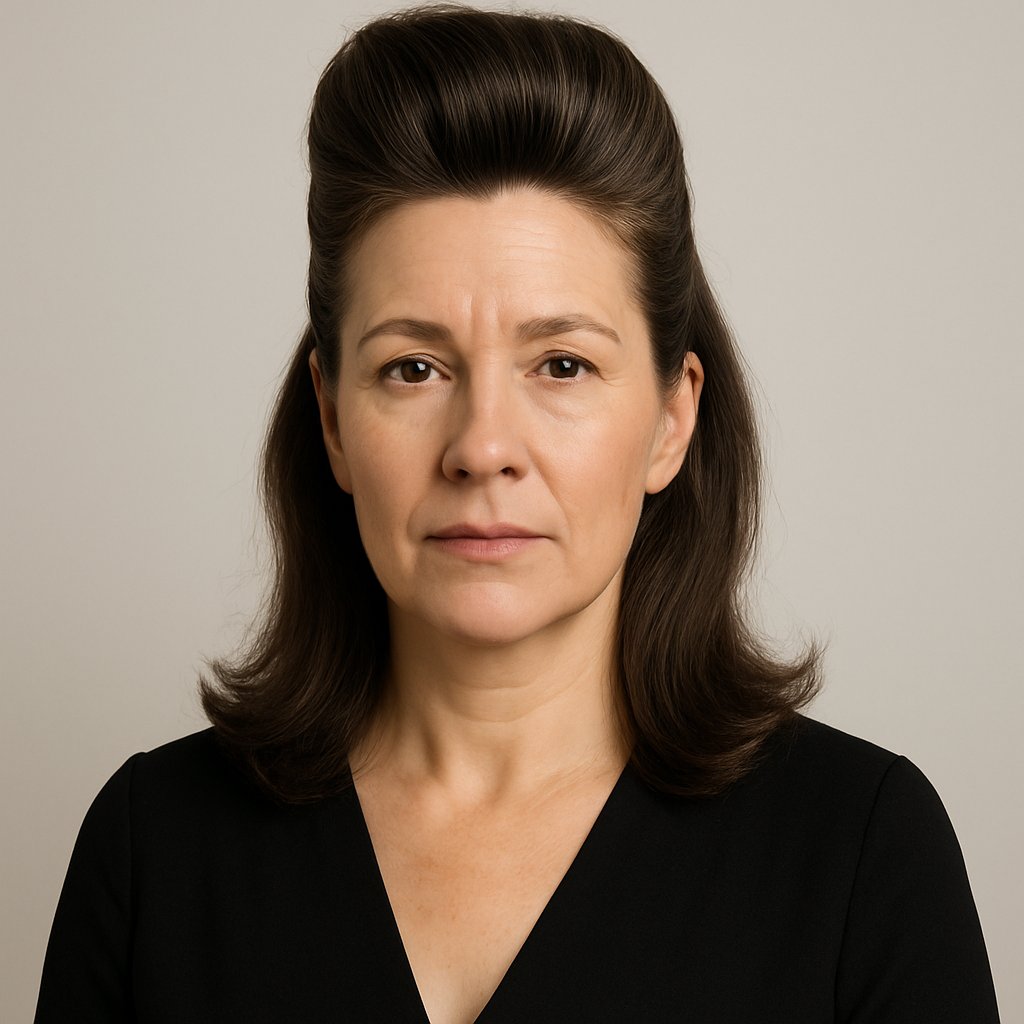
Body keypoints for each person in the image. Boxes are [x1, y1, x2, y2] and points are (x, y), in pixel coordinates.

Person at [34, 6, 999, 1023]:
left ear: (672, 418)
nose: (481, 445)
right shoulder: (154, 851)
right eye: (413, 367)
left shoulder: (858, 854)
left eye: (562, 364)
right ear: (330, 417)